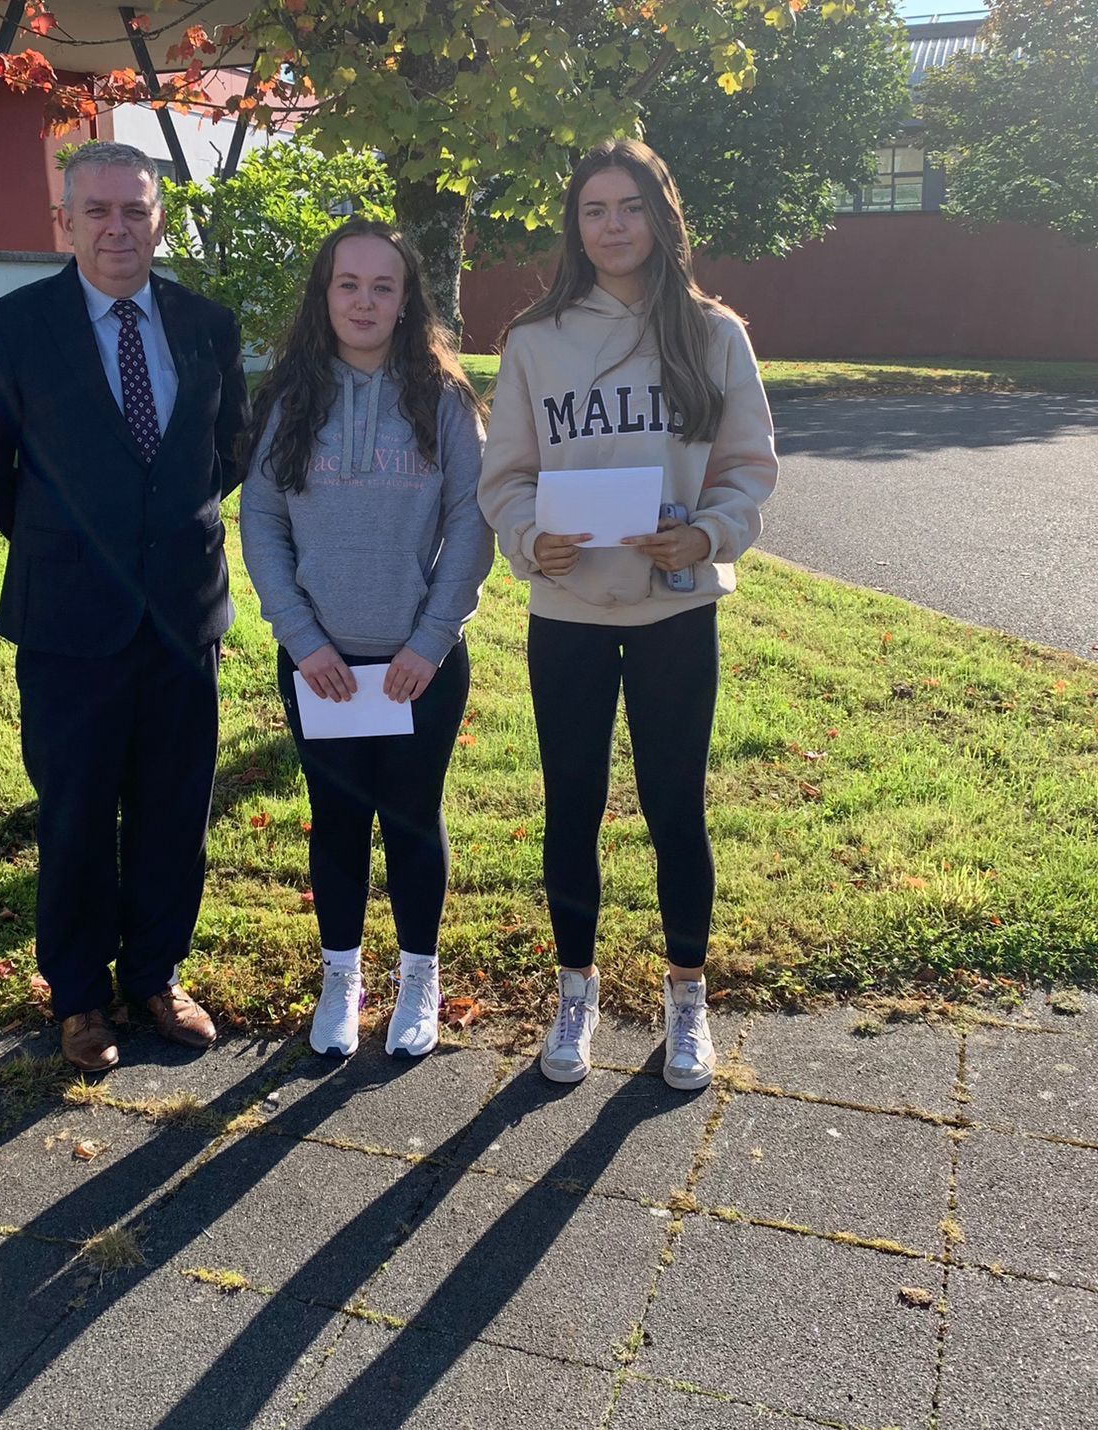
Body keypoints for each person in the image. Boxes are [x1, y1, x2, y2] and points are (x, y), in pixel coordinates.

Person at [478, 139, 778, 1091]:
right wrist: (531, 538)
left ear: (662, 215)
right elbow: (507, 477)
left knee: (673, 806)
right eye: (594, 209)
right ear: (574, 224)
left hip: (673, 610)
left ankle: (687, 997)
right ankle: (577, 990)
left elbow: (748, 468)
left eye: (630, 206)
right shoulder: (535, 339)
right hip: (567, 606)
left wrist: (710, 536)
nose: (612, 226)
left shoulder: (712, 333)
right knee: (570, 804)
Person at [0, 141, 250, 1074]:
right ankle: (79, 997)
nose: (119, 228)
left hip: (181, 614)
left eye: (137, 210)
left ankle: (156, 974)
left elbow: (228, 449)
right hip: (68, 619)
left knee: (173, 808)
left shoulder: (209, 323)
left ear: (161, 220)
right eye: (99, 212)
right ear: (65, 222)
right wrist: (65, 539)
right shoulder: (9, 327)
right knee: (76, 814)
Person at [240, 220, 493, 1062]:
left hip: (419, 665)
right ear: (325, 294)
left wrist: (430, 640)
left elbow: (471, 523)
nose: (364, 300)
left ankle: (418, 976)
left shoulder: (444, 400)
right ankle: (341, 977)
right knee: (338, 818)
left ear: (406, 298)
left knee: (414, 819)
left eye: (383, 286)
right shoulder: (288, 398)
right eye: (348, 284)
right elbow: (263, 522)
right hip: (323, 666)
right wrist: (303, 640)